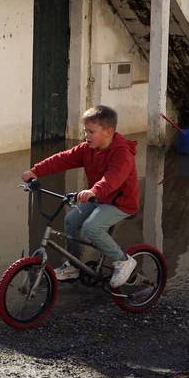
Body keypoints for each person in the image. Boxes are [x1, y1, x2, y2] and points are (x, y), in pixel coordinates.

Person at [23, 105, 139, 288]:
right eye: (86, 131)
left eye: (91, 132)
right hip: (99, 198)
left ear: (108, 132)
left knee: (91, 227)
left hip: (120, 202)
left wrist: (93, 191)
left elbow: (112, 178)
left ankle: (123, 260)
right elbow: (63, 158)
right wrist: (35, 171)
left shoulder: (122, 153)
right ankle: (74, 265)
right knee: (70, 220)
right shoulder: (88, 149)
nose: (87, 136)